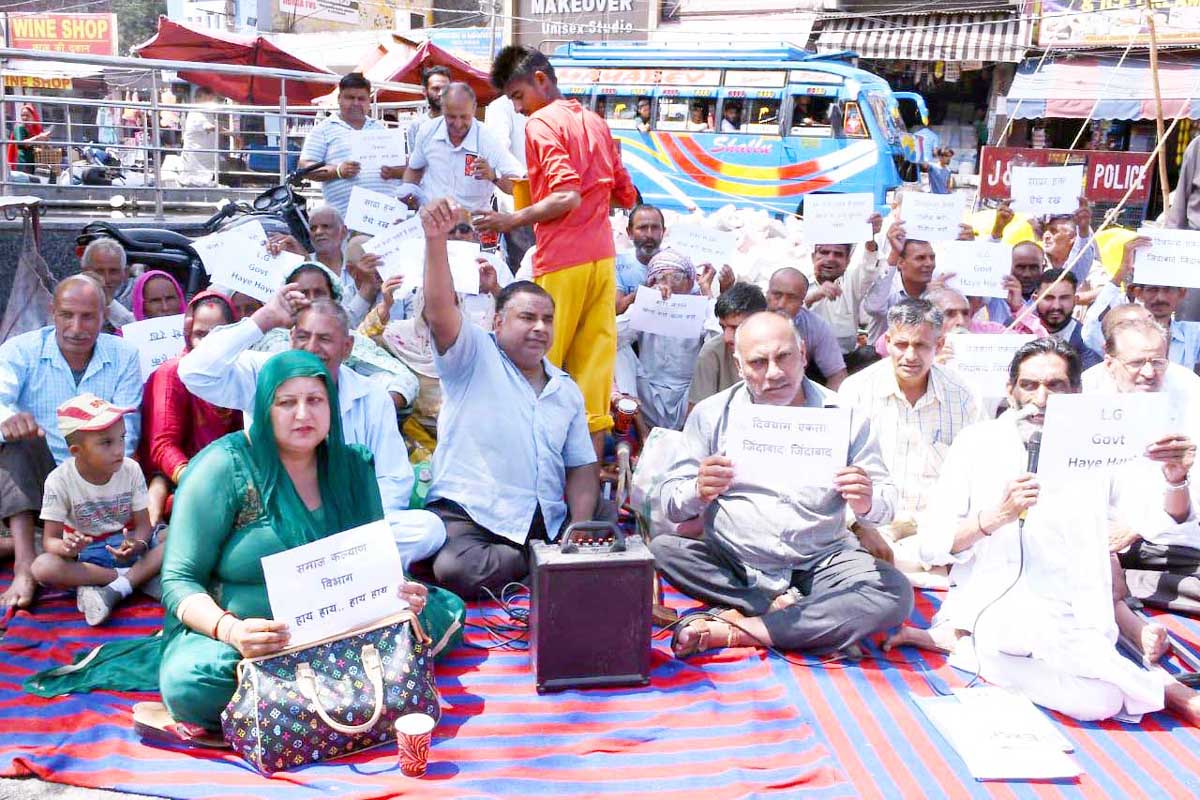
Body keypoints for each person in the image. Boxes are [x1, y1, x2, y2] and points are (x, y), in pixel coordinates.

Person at [888, 338, 1200, 725]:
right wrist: (997, 516)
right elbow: (934, 546)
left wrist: (1175, 480)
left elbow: (1165, 524)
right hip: (996, 606)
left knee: (1099, 703)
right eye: (1030, 385)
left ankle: (969, 651)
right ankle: (1172, 692)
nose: (1041, 398)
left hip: (1078, 612)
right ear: (1011, 390)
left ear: (1077, 393)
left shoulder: (1103, 445)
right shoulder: (977, 444)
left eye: (1055, 386)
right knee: (1045, 633)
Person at [158, 350, 462, 733]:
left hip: (342, 630)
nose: (303, 415)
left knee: (444, 610)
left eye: (315, 400)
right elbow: (178, 580)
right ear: (264, 407)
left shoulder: (351, 466)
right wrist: (232, 631)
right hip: (251, 639)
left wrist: (400, 593)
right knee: (190, 684)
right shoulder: (221, 468)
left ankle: (288, 701)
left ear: (332, 406)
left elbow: (370, 561)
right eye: (287, 402)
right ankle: (352, 692)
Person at [653, 311, 911, 657]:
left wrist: (865, 501)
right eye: (758, 362)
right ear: (739, 365)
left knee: (894, 592)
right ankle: (792, 615)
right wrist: (697, 490)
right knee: (664, 550)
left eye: (784, 356)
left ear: (803, 353)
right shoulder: (712, 414)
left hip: (821, 561)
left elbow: (885, 505)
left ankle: (743, 629)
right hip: (736, 563)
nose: (774, 373)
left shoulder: (844, 415)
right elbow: (670, 502)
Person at [178, 284, 441, 568]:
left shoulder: (372, 396)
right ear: (291, 340)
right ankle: (339, 568)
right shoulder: (263, 374)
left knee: (428, 529)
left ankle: (329, 568)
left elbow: (394, 479)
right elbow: (195, 372)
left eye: (325, 339)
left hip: (349, 526)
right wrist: (264, 318)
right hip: (276, 521)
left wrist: (352, 525)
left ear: (347, 347)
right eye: (303, 337)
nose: (312, 348)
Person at [418, 199, 599, 599]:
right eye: (526, 318)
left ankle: (551, 560)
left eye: (547, 320)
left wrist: (579, 530)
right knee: (455, 568)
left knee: (605, 526)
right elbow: (439, 309)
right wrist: (435, 241)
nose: (539, 328)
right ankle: (539, 565)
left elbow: (582, 465)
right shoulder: (473, 356)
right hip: (471, 514)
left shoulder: (564, 388)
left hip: (543, 520)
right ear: (497, 322)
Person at [477, 46, 639, 456]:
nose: (517, 109)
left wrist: (510, 220)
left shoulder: (540, 124)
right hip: (602, 261)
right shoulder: (595, 122)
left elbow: (565, 195)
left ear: (541, 81)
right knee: (593, 378)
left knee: (538, 365)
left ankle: (532, 469)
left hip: (562, 261)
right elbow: (625, 192)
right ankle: (587, 490)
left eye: (517, 97)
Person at [0, 275, 143, 610]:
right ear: (52, 313)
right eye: (67, 315)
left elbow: (128, 433)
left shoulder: (123, 355)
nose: (76, 327)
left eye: (87, 317)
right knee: (16, 441)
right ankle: (24, 564)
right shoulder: (21, 350)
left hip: (98, 477)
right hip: (39, 479)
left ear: (104, 315)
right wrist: (8, 420)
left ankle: (73, 561)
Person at [838, 299, 980, 583]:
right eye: (902, 344)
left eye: (922, 346)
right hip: (875, 527)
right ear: (887, 341)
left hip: (940, 528)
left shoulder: (962, 394)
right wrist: (859, 526)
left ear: (938, 346)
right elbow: (835, 472)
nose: (910, 355)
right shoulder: (856, 392)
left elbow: (978, 469)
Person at [1092, 318, 1200, 613]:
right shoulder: (1085, 391)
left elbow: (1184, 511)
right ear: (1109, 361)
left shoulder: (1188, 391)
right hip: (1098, 546)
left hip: (1170, 547)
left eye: (1158, 362)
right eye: (1137, 363)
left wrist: (1138, 526)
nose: (1150, 373)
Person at [32, 395, 165, 626]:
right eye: (107, 443)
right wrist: (67, 546)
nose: (119, 450)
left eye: (121, 438)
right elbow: (50, 541)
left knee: (175, 536)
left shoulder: (131, 469)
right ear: (77, 451)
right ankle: (134, 580)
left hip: (130, 547)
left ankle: (112, 590)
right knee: (42, 567)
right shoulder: (58, 481)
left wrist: (138, 544)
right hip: (91, 556)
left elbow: (144, 524)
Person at [249, 261, 420, 411]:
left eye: (319, 293)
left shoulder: (352, 341)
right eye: (302, 293)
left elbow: (403, 379)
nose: (310, 301)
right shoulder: (270, 340)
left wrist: (375, 407)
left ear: (334, 297)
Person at [138, 292, 243, 527]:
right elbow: (163, 446)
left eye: (218, 335)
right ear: (188, 334)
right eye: (200, 335)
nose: (207, 344)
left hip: (230, 476)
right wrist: (197, 480)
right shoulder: (173, 373)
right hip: (180, 480)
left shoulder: (241, 372)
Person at [615, 249, 712, 431]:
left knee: (714, 354)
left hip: (688, 396)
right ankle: (636, 424)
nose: (668, 285)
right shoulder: (645, 309)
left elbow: (719, 340)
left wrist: (707, 293)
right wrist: (646, 302)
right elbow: (612, 337)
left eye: (676, 277)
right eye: (660, 278)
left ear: (689, 281)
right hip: (647, 394)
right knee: (619, 350)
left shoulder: (699, 309)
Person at [401, 83, 523, 213]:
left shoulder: (488, 139)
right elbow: (414, 169)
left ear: (474, 109)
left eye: (464, 117)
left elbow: (518, 185)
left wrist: (494, 177)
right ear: (443, 109)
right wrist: (408, 192)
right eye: (451, 117)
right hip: (433, 223)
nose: (458, 124)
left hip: (473, 226)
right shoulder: (427, 131)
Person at [299, 73, 397, 218]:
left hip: (382, 216)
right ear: (339, 99)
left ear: (369, 102)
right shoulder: (323, 129)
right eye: (350, 98)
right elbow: (304, 168)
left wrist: (393, 172)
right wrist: (338, 171)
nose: (356, 103)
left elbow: (400, 168)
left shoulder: (380, 129)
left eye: (361, 99)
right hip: (343, 219)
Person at [802, 212, 884, 370]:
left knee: (870, 356)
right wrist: (813, 297)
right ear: (813, 257)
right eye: (824, 253)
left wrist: (870, 238)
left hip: (844, 360)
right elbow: (785, 314)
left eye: (838, 254)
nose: (830, 259)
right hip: (806, 362)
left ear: (847, 261)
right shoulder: (799, 281)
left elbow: (868, 268)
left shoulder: (851, 282)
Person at [688, 282, 767, 409]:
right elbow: (696, 414)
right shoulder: (712, 353)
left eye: (736, 328)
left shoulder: (780, 348)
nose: (727, 338)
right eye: (723, 327)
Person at [766, 267, 847, 389]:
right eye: (777, 295)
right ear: (767, 294)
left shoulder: (817, 326)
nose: (782, 304)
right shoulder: (748, 317)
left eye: (791, 298)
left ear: (802, 301)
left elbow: (837, 375)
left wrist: (825, 406)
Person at [1030, 269, 1103, 369]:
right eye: (1049, 298)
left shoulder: (1086, 340)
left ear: (1075, 300)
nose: (1056, 306)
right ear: (1035, 300)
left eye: (1064, 298)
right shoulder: (1018, 332)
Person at [616, 205, 666, 312]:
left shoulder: (678, 264)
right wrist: (645, 291)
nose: (649, 234)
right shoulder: (617, 263)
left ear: (663, 232)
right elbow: (616, 309)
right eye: (642, 228)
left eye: (655, 228)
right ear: (629, 232)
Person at [80, 238, 135, 330]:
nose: (106, 279)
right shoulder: (71, 296)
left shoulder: (134, 295)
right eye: (99, 271)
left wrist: (109, 302)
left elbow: (134, 330)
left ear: (125, 273)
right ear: (86, 271)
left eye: (113, 271)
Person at [402, 65, 452, 158]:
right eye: (436, 89)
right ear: (425, 91)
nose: (441, 93)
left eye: (446, 89)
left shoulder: (463, 124)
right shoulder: (416, 126)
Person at [178, 86, 222, 187]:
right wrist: (231, 134)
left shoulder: (206, 112)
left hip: (205, 158)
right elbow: (210, 127)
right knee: (195, 180)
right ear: (198, 99)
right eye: (208, 100)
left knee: (205, 178)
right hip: (197, 159)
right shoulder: (195, 113)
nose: (211, 102)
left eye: (211, 99)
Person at [7, 103, 50, 176]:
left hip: (35, 164)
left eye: (27, 115)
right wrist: (37, 138)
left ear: (33, 116)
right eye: (22, 115)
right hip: (23, 164)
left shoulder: (37, 130)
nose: (24, 118)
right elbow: (21, 143)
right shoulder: (20, 128)